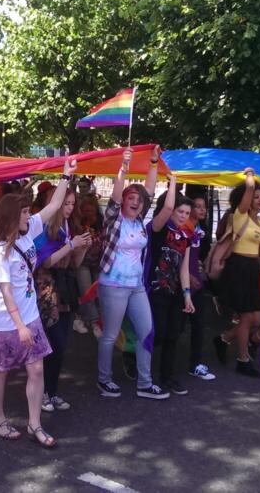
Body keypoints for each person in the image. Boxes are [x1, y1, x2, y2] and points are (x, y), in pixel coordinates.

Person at [0, 158, 78, 448]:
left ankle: (34, 424)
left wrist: (66, 176)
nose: (30, 216)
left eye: (29, 211)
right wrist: (20, 327)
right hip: (5, 321)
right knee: (0, 371)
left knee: (37, 370)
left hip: (29, 317)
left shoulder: (28, 235)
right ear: (11, 217)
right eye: (25, 212)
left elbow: (52, 207)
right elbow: (5, 293)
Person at [96, 146, 169, 400]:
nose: (136, 201)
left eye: (139, 200)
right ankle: (104, 380)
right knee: (110, 335)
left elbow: (148, 191)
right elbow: (115, 198)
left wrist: (153, 162)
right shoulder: (114, 220)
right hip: (112, 285)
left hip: (136, 286)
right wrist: (124, 168)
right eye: (131, 197)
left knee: (147, 332)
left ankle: (145, 383)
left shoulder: (139, 222)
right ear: (124, 201)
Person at [35, 187, 92, 412]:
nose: (69, 208)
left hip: (66, 288)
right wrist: (72, 245)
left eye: (71, 203)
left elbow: (75, 264)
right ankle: (42, 393)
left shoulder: (68, 227)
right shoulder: (45, 227)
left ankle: (52, 391)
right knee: (51, 343)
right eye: (65, 203)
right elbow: (46, 261)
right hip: (47, 290)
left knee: (61, 345)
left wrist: (82, 248)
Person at [213, 169, 260, 378]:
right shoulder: (239, 215)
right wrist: (250, 180)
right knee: (247, 318)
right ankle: (243, 359)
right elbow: (248, 191)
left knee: (256, 319)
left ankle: (225, 339)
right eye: (256, 196)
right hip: (238, 268)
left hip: (253, 269)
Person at [146, 182, 196, 395]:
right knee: (158, 333)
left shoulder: (186, 236)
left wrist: (187, 295)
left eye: (187, 213)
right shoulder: (158, 228)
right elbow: (165, 210)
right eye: (180, 211)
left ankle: (167, 377)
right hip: (155, 289)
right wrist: (173, 182)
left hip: (175, 291)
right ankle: (137, 364)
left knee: (173, 334)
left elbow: (184, 268)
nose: (184, 216)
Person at [184, 192, 215, 381]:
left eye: (204, 206)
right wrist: (188, 276)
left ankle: (195, 363)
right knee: (172, 328)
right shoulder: (184, 229)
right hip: (183, 282)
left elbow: (200, 256)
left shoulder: (200, 230)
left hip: (197, 282)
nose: (202, 209)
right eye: (198, 206)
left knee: (199, 325)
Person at [74, 193, 104, 337]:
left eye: (91, 211)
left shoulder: (102, 222)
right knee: (87, 292)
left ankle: (83, 317)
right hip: (83, 262)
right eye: (85, 211)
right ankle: (93, 322)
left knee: (99, 292)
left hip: (98, 262)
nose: (89, 214)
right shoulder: (79, 224)